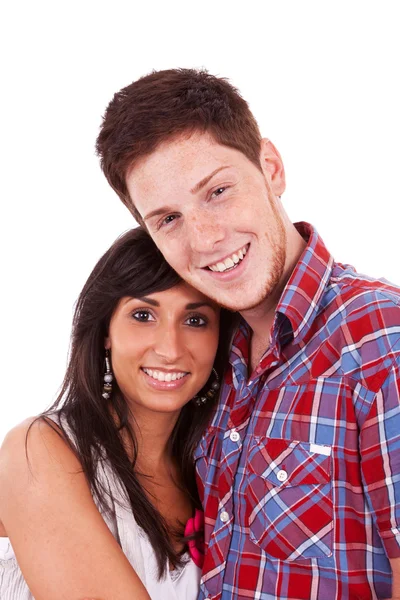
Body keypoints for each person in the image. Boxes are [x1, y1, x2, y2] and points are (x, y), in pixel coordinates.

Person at [95, 68, 400, 599]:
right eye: (168, 219)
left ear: (271, 168)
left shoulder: (378, 336)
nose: (206, 238)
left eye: (217, 191)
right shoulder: (211, 354)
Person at [0, 227, 234, 599]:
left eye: (195, 320)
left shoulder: (214, 470)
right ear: (106, 330)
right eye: (143, 315)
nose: (170, 349)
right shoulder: (36, 451)